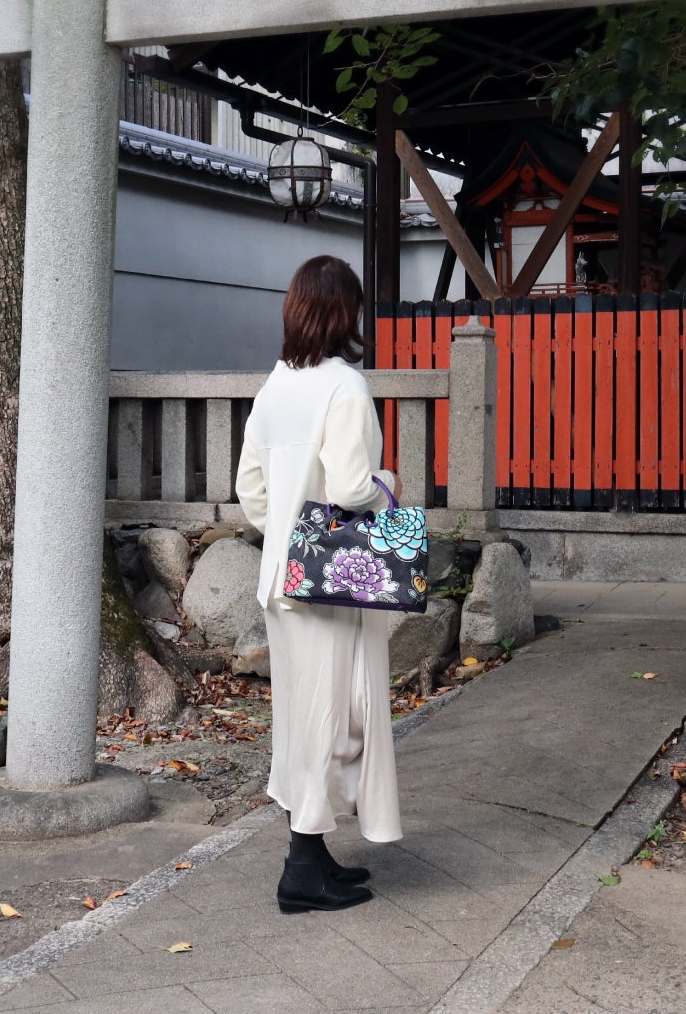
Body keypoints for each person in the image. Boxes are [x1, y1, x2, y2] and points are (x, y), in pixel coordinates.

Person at [235, 256, 403, 914]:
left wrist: (284, 531)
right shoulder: (345, 387)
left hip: (284, 576)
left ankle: (314, 857)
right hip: (332, 578)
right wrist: (389, 487)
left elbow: (251, 488)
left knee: (303, 717)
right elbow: (353, 489)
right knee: (332, 715)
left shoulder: (276, 385)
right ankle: (302, 871)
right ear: (347, 312)